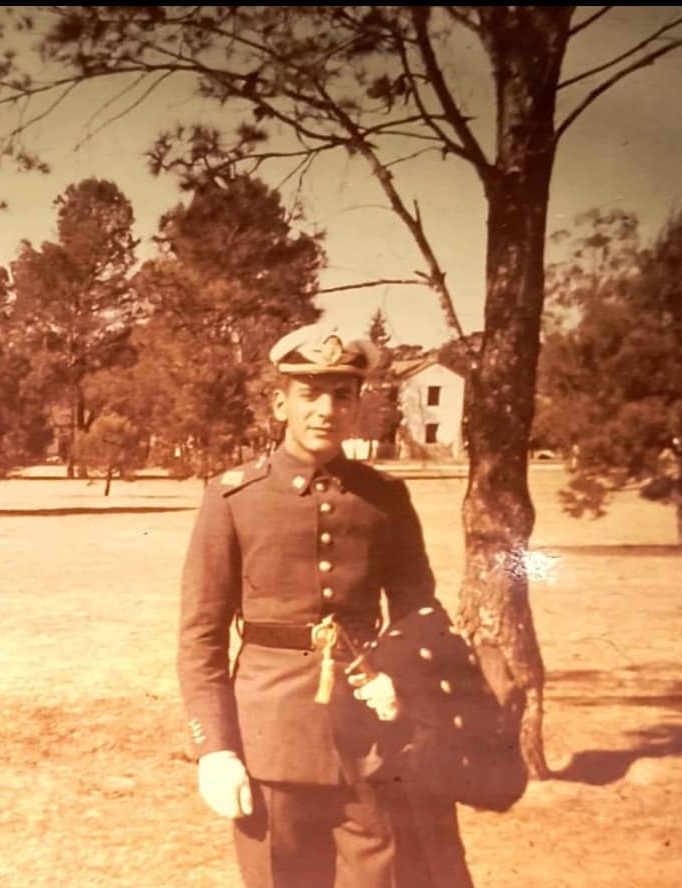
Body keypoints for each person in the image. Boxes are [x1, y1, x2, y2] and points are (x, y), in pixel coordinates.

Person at [176, 322, 472, 887]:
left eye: (342, 395)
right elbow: (200, 637)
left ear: (357, 405)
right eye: (309, 394)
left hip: (370, 742)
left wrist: (400, 675)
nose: (325, 410)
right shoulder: (235, 497)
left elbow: (420, 610)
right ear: (279, 402)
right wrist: (214, 748)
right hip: (270, 743)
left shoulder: (384, 498)